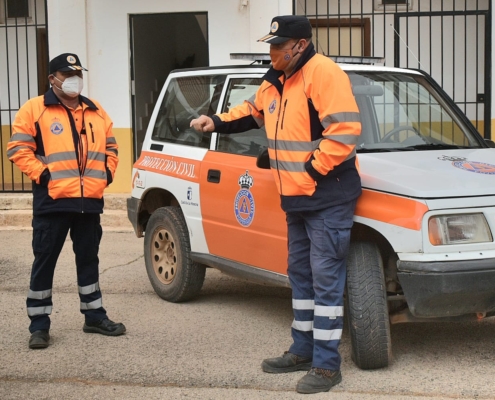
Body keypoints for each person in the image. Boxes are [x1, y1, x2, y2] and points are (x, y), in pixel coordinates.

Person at [190, 16, 361, 394]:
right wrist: (214, 121)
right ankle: (302, 350)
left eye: (277, 46)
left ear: (299, 45)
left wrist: (312, 171)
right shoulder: (276, 79)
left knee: (326, 280)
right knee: (300, 275)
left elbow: (345, 131)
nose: (272, 52)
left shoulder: (323, 74)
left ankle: (328, 367)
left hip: (326, 195)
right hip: (296, 198)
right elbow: (251, 111)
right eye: (270, 45)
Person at [7, 53, 126, 350]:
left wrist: (106, 176)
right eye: (66, 73)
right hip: (53, 203)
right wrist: (45, 176)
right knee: (45, 262)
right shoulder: (34, 109)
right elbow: (18, 149)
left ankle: (94, 316)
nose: (74, 79)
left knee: (89, 260)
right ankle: (39, 326)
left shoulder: (95, 111)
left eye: (77, 73)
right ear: (52, 79)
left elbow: (112, 147)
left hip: (89, 203)